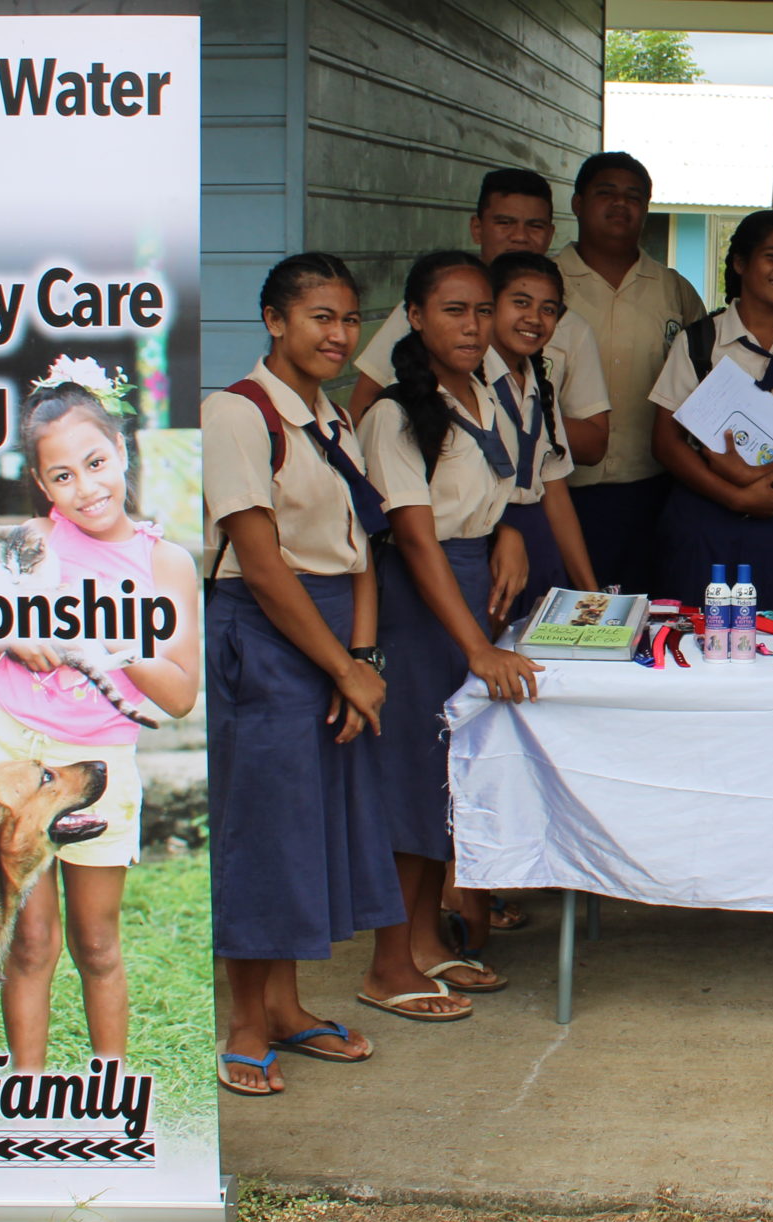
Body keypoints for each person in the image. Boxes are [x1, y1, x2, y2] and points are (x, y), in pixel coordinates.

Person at [203, 254, 458, 1098]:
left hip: (335, 640)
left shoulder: (331, 419)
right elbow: (263, 563)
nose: (339, 334)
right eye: (319, 317)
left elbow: (357, 553)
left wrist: (366, 660)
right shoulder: (237, 415)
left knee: (313, 829)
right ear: (275, 321)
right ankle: (245, 1021)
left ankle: (287, 1005)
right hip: (265, 631)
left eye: (349, 319)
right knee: (264, 831)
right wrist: (342, 664)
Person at [0, 362, 200, 1072]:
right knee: (28, 940)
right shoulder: (32, 541)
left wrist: (116, 642)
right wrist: (13, 629)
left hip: (98, 768)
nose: (86, 486)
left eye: (96, 463)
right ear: (43, 485)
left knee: (95, 942)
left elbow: (181, 693)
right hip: (12, 754)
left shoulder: (164, 564)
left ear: (122, 450)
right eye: (63, 475)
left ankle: (107, 1084)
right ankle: (30, 1088)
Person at [359, 250, 546, 1007]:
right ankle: (387, 966)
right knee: (412, 774)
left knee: (447, 776)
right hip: (422, 601)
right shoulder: (394, 412)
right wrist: (474, 644)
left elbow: (495, 489)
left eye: (479, 312)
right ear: (414, 317)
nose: (471, 327)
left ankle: (427, 940)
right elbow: (412, 535)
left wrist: (509, 532)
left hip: (474, 585)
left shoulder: (483, 393)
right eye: (452, 311)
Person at [649, 210, 773, 611]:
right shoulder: (701, 341)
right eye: (772, 256)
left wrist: (758, 479)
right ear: (740, 262)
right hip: (702, 510)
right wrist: (734, 494)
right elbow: (665, 442)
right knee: (694, 630)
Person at [348, 168, 612, 469]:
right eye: (504, 223)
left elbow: (594, 445)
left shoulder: (568, 326)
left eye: (534, 226)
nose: (520, 237)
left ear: (551, 234)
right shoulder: (429, 307)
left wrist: (526, 416)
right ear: (477, 227)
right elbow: (364, 403)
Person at [558, 152, 706, 595]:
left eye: (634, 196)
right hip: (560, 489)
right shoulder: (543, 285)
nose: (620, 205)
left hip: (653, 489)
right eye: (607, 193)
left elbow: (706, 382)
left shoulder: (673, 290)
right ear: (578, 203)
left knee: (647, 609)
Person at [485, 250, 602, 620]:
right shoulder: (463, 381)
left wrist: (591, 594)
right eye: (520, 302)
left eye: (548, 309)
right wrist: (499, 534)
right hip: (485, 544)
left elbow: (554, 491)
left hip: (537, 540)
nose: (534, 318)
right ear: (488, 306)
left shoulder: (540, 386)